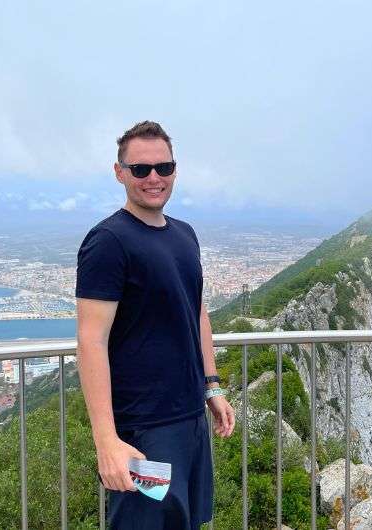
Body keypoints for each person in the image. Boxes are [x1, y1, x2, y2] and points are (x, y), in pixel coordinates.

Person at [75, 120, 235, 529]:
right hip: (143, 430)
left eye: (163, 168)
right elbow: (91, 341)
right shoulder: (108, 241)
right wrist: (106, 440)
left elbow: (195, 311)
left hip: (189, 420)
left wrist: (211, 385)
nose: (153, 178)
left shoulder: (185, 234)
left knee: (186, 521)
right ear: (119, 173)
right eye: (140, 169)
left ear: (174, 170)